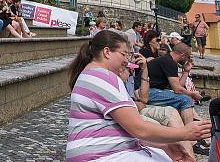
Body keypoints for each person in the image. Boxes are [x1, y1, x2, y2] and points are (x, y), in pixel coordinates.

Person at [67, 30, 210, 161]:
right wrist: (185, 133)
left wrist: (164, 145)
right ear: (107, 52)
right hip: (100, 156)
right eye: (123, 54)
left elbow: (122, 128)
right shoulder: (104, 77)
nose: (126, 61)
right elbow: (138, 128)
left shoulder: (92, 75)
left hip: (98, 151)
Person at [146, 43, 202, 123]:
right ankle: (190, 130)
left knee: (183, 97)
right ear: (183, 55)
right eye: (188, 57)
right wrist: (192, 94)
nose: (188, 60)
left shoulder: (169, 60)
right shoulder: (169, 62)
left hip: (152, 91)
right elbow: (177, 89)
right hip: (148, 92)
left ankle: (197, 121)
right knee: (186, 100)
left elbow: (178, 86)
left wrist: (186, 71)